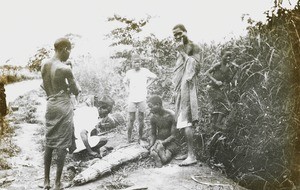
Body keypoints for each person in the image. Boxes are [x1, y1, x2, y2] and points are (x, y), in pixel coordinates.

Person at [41, 38, 80, 190]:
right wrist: (71, 84)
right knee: (62, 144)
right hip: (63, 105)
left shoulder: (44, 64)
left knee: (49, 142)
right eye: (69, 51)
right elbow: (75, 90)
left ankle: (46, 182)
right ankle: (57, 183)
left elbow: (44, 85)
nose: (68, 55)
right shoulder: (65, 68)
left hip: (50, 104)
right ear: (65, 49)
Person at [172, 24, 201, 166]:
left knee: (187, 119)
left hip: (189, 87)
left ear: (185, 32)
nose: (177, 37)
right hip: (180, 88)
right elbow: (179, 70)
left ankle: (192, 155)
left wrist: (183, 53)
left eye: (179, 33)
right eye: (175, 35)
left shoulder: (194, 46)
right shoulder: (180, 49)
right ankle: (187, 152)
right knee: (182, 120)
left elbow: (196, 67)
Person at [123, 54, 157, 143]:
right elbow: (125, 82)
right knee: (131, 119)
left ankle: (140, 137)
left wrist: (147, 85)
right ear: (132, 63)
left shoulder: (145, 71)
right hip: (132, 98)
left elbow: (154, 77)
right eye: (135, 62)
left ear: (141, 62)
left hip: (142, 98)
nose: (137, 64)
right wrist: (128, 90)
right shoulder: (129, 72)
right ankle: (129, 138)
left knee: (141, 119)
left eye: (138, 62)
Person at [205, 51, 238, 130]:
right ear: (222, 56)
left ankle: (214, 125)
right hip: (212, 88)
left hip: (218, 90)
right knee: (226, 106)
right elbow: (207, 73)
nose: (228, 58)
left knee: (220, 106)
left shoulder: (229, 67)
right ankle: (217, 124)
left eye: (230, 56)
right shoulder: (218, 65)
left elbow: (228, 80)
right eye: (226, 56)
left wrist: (235, 70)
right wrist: (215, 81)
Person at [147, 95, 178, 167]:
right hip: (159, 140)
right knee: (153, 151)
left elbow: (173, 136)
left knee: (166, 156)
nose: (150, 110)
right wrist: (151, 145)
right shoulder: (153, 118)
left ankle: (163, 157)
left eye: (151, 107)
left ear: (158, 105)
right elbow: (153, 134)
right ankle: (157, 157)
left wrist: (163, 143)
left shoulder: (171, 115)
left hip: (171, 142)